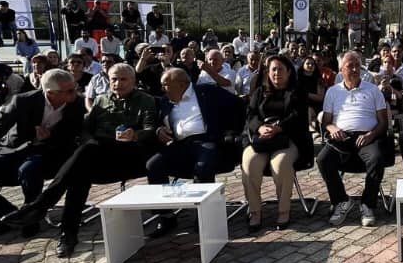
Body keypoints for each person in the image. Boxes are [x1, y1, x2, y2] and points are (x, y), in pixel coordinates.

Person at [3, 63, 158, 257]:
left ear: (133, 81)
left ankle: (41, 205)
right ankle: (68, 234)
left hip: (129, 156)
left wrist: (135, 135)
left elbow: (150, 129)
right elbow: (86, 129)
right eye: (113, 79)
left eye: (123, 79)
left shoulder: (146, 100)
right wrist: (89, 140)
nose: (118, 83)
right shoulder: (101, 100)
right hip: (100, 154)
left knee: (84, 156)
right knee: (79, 173)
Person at [0, 68, 84, 233]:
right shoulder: (23, 101)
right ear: (50, 93)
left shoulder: (77, 104)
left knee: (30, 169)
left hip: (49, 155)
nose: (75, 92)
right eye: (69, 91)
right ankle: (11, 216)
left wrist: (51, 136)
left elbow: (74, 136)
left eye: (75, 87)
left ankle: (31, 217)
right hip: (14, 151)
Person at [147, 67, 240, 235]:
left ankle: (204, 216)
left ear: (182, 84)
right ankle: (166, 216)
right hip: (180, 144)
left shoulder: (207, 91)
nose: (162, 88)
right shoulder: (165, 101)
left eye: (165, 84)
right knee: (154, 165)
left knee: (203, 166)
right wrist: (158, 130)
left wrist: (229, 133)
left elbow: (238, 105)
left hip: (206, 141)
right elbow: (154, 122)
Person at [318, 51, 390, 228]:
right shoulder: (333, 91)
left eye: (358, 65)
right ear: (341, 69)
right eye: (350, 66)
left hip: (367, 136)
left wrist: (371, 134)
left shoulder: (373, 90)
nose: (355, 69)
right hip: (342, 137)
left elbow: (383, 122)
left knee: (376, 159)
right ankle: (341, 200)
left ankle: (368, 205)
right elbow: (326, 121)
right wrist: (332, 128)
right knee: (323, 159)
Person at [241, 55, 312, 232]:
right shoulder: (259, 92)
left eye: (280, 69)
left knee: (280, 164)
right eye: (273, 69)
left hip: (288, 139)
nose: (276, 73)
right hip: (262, 139)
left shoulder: (298, 92)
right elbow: (250, 115)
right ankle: (255, 211)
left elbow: (299, 117)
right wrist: (259, 127)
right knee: (249, 163)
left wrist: (279, 127)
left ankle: (283, 210)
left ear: (289, 72)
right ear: (268, 72)